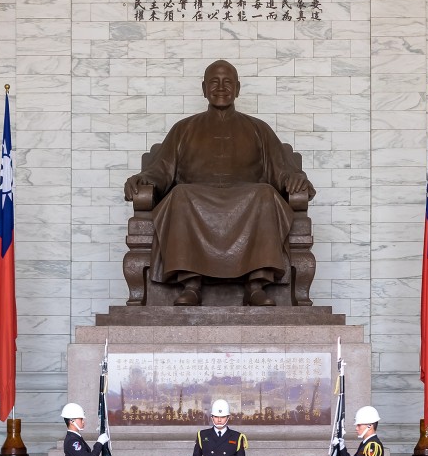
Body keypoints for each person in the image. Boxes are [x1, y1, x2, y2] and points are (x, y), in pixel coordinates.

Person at [123, 59, 315, 306]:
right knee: (180, 195)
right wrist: (144, 178)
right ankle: (191, 283)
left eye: (227, 82)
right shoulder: (183, 129)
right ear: (204, 88)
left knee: (266, 194)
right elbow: (161, 169)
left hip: (248, 198)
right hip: (195, 199)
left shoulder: (259, 129)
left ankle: (256, 285)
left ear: (238, 88)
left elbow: (281, 170)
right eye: (214, 82)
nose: (221, 87)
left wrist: (295, 178)